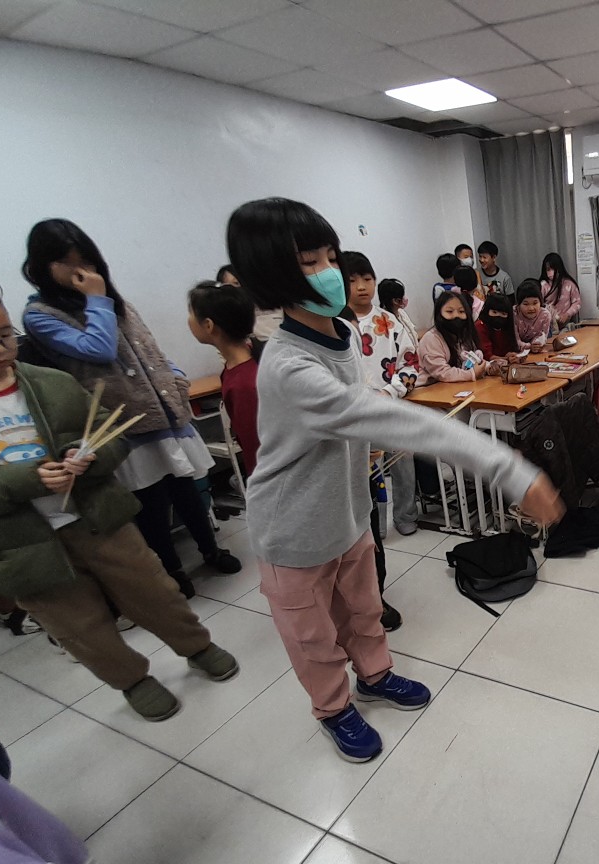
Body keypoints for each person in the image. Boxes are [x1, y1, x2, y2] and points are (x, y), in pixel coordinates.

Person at [225, 196, 562, 762]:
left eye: (330, 257)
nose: (330, 273)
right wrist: (507, 468)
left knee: (364, 610)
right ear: (271, 278)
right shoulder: (288, 365)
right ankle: (333, 707)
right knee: (313, 637)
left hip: (347, 513)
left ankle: (375, 676)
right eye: (310, 263)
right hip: (293, 532)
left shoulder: (339, 333)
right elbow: (382, 416)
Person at [0, 272, 239, 721]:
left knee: (153, 591)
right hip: (17, 542)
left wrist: (90, 456)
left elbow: (111, 434)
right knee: (77, 624)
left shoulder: (50, 382)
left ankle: (196, 647)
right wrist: (27, 480)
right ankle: (132, 680)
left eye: (5, 333)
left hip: (98, 516)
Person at [20, 219, 240, 599]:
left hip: (164, 412)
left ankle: (210, 550)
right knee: (150, 503)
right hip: (121, 423)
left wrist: (177, 381)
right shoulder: (41, 314)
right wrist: (97, 300)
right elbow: (98, 349)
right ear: (43, 265)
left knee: (188, 490)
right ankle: (171, 570)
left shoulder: (118, 304)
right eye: (67, 262)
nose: (80, 270)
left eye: (86, 260)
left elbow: (152, 351)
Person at [343, 260, 422, 538]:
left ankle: (406, 514)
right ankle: (373, 527)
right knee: (365, 472)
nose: (361, 287)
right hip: (353, 413)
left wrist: (390, 391)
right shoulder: (334, 325)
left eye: (367, 279)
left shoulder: (390, 322)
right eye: (352, 280)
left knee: (403, 460)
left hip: (390, 405)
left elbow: (411, 364)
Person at [185, 281, 260, 474]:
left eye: (190, 313)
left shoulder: (245, 383)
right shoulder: (240, 364)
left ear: (208, 325)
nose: (188, 320)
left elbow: (257, 447)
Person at [419, 290, 498, 383]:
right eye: (449, 311)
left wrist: (488, 367)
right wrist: (471, 374)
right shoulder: (431, 339)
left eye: (461, 311)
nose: (456, 315)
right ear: (438, 313)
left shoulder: (463, 336)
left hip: (456, 386)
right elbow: (442, 373)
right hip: (428, 388)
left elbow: (472, 360)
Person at [476, 293, 528, 360]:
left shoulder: (506, 326)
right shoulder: (480, 326)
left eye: (503, 314)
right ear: (486, 310)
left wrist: (512, 355)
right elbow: (488, 356)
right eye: (494, 312)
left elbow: (507, 350)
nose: (498, 316)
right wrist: (506, 359)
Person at [540, 252, 581, 329]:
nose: (551, 272)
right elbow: (539, 305)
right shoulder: (543, 285)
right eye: (548, 269)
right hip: (548, 326)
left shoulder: (569, 284)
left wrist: (567, 314)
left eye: (553, 269)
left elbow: (577, 302)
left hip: (565, 324)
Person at [514, 278, 553, 348]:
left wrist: (536, 345)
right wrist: (529, 346)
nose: (531, 308)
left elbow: (542, 337)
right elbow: (514, 340)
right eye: (526, 304)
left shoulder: (545, 315)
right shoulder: (513, 314)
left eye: (535, 303)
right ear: (518, 304)